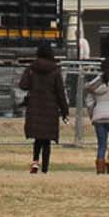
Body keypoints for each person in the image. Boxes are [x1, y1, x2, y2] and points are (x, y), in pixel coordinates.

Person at [17, 44, 67, 174]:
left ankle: (35, 162)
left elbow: (23, 85)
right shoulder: (55, 70)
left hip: (35, 106)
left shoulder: (32, 68)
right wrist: (64, 110)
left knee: (38, 139)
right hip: (50, 107)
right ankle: (45, 168)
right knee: (46, 140)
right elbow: (60, 92)